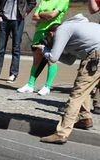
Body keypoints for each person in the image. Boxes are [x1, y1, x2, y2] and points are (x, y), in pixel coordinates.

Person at [39, 15, 100, 143]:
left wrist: (45, 50)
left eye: (49, 38)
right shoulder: (79, 27)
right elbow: (70, 60)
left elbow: (53, 58)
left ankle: (61, 133)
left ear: (51, 33)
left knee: (77, 94)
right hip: (95, 53)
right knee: (85, 89)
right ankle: (84, 118)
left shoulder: (63, 29)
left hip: (96, 56)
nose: (50, 41)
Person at [17, 0, 69, 95]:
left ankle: (47, 86)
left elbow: (52, 15)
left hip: (52, 32)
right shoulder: (44, 1)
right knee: (36, 61)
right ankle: (30, 85)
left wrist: (41, 14)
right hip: (39, 32)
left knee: (52, 60)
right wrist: (46, 16)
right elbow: (34, 16)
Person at [0, 0, 37, 81]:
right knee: (1, 47)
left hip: (18, 20)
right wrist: (0, 13)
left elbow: (32, 2)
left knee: (16, 48)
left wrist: (25, 12)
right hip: (4, 19)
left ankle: (13, 74)